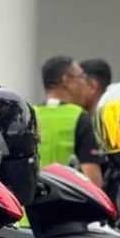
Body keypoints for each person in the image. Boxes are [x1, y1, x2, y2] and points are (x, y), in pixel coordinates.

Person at [35, 55, 103, 186]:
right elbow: (94, 183)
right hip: (65, 204)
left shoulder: (30, 114)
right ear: (66, 81)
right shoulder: (80, 118)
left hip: (29, 205)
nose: (85, 83)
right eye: (82, 77)